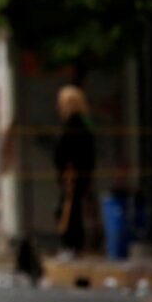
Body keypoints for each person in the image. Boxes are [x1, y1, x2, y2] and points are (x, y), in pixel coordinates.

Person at [53, 85, 95, 257]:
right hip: (75, 175)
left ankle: (72, 246)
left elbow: (70, 151)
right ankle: (72, 245)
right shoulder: (81, 123)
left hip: (73, 176)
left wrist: (70, 170)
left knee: (70, 212)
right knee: (70, 210)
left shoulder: (75, 125)